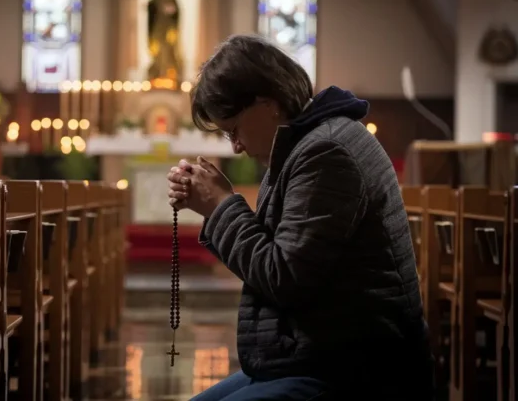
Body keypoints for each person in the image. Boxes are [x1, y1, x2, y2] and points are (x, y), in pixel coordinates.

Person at [166, 35, 434, 401]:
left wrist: (221, 206)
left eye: (234, 130)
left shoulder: (326, 152)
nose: (235, 146)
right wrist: (217, 204)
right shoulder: (305, 143)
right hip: (317, 351)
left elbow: (284, 277)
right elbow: (281, 257)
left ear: (267, 103)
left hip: (357, 368)